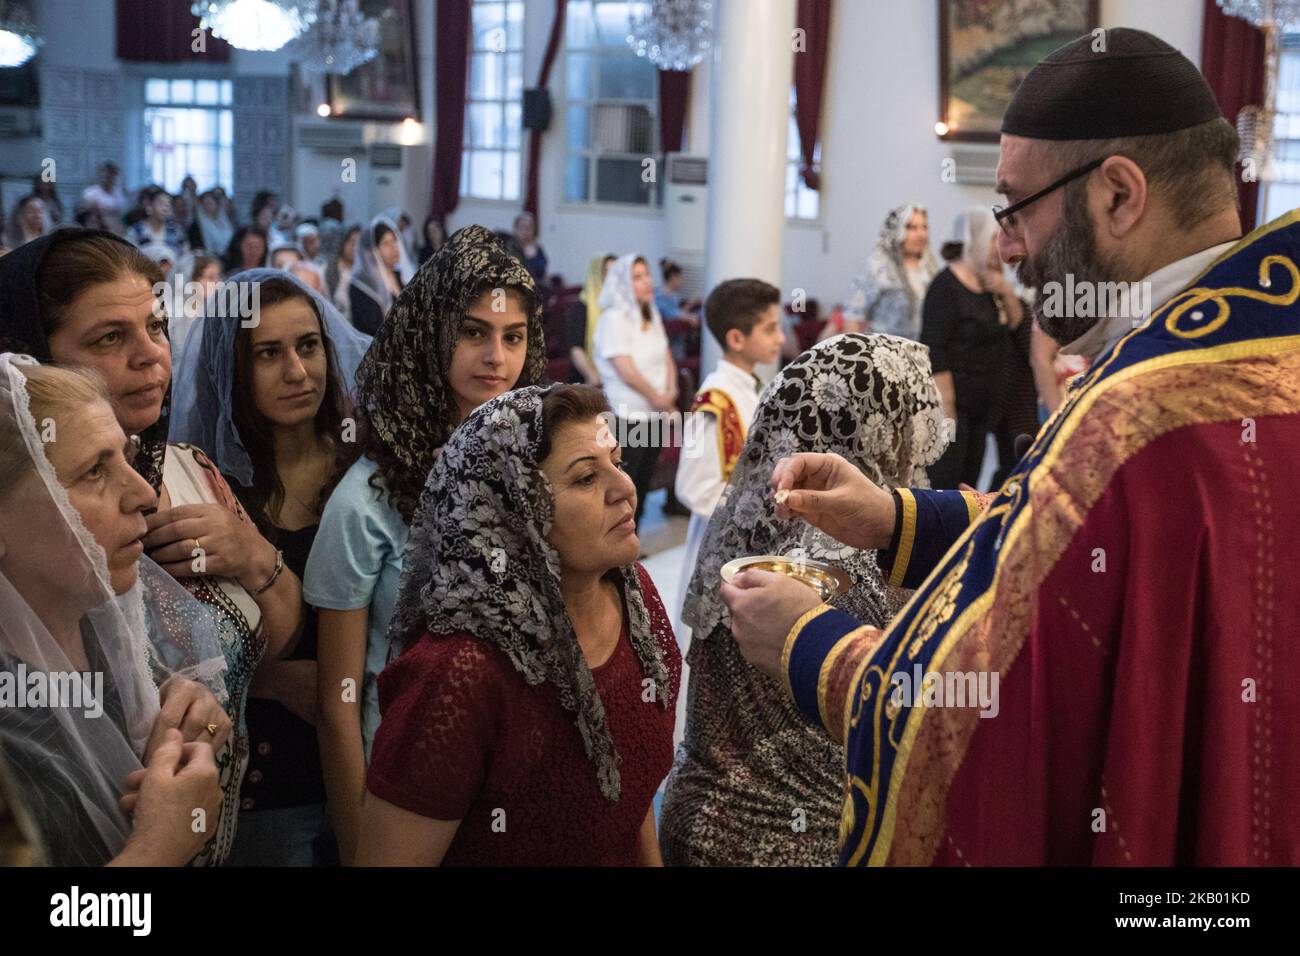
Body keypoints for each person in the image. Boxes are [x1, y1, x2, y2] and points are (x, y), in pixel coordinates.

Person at [723, 28, 1300, 866]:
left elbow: (977, 720)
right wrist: (896, 518)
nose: (1004, 246)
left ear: (1117, 195)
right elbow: (1088, 549)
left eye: (1016, 207)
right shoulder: (1260, 343)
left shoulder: (1139, 414)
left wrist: (806, 643)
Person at [0, 229, 305, 864]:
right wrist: (159, 849)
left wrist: (170, 718)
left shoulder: (191, 470)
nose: (151, 357)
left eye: (157, 327)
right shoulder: (46, 552)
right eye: (110, 338)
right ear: (33, 353)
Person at [355, 384, 680, 866]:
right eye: (587, 478)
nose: (625, 489)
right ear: (510, 513)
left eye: (618, 461)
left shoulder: (636, 598)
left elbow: (632, 810)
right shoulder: (460, 674)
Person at [307, 224, 546, 864]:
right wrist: (363, 846)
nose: (497, 357)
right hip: (402, 789)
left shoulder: (538, 476)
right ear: (429, 335)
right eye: (473, 332)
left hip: (509, 783)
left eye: (513, 337)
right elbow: (339, 705)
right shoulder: (366, 499)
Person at [661, 334, 947, 866]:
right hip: (797, 839)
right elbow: (912, 717)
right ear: (884, 427)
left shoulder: (752, 530)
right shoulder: (854, 561)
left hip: (698, 818)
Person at [171, 269, 370, 866]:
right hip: (265, 783)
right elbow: (173, 651)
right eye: (268, 354)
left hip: (372, 766)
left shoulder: (369, 474)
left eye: (308, 347)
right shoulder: (209, 490)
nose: (297, 372)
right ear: (233, 371)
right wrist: (272, 682)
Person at [0, 355, 231, 866]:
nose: (144, 494)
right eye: (94, 472)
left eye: (125, 458)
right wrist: (157, 850)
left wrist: (202, 728)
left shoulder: (114, 644)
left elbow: (188, 740)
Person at [672, 279, 783, 645]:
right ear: (736, 339)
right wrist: (756, 508)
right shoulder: (716, 400)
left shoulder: (748, 386)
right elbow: (694, 488)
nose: (780, 338)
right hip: (722, 547)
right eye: (770, 329)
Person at [921, 208, 1024, 489]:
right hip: (954, 410)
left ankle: (963, 533)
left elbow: (1015, 324)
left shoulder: (989, 284)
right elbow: (935, 350)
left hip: (984, 408)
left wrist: (1005, 291)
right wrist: (948, 410)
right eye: (992, 239)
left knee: (969, 484)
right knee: (945, 481)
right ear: (974, 240)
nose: (997, 248)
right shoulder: (945, 287)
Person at [593, 254, 677, 525]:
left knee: (643, 481)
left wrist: (672, 389)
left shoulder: (650, 312)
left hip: (654, 413)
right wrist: (660, 399)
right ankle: (617, 553)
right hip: (627, 415)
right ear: (622, 283)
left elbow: (666, 354)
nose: (648, 281)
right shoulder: (613, 318)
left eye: (647, 274)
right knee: (625, 486)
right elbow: (625, 369)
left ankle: (634, 547)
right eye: (638, 277)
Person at [838, 204, 938, 340]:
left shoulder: (929, 267)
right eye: (911, 227)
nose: (921, 234)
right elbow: (854, 315)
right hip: (885, 352)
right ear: (896, 230)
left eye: (924, 227)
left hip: (922, 353)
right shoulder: (877, 266)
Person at [348, 216, 405, 336]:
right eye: (386, 243)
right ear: (374, 251)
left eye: (394, 241)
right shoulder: (362, 284)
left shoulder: (401, 278)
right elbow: (372, 326)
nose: (393, 247)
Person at [127, 186, 189, 260]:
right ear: (149, 207)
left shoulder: (176, 230)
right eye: (161, 204)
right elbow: (129, 258)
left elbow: (184, 258)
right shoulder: (135, 231)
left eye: (168, 205)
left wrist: (178, 272)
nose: (165, 208)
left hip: (173, 271)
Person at [325, 223, 361, 322]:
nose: (355, 246)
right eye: (352, 241)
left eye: (358, 241)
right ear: (342, 243)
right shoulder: (329, 270)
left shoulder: (365, 271)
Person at [81, 162, 128, 235]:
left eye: (110, 177)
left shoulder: (119, 195)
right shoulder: (91, 193)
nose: (106, 179)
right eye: (105, 176)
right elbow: (88, 216)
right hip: (98, 230)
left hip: (117, 230)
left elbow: (122, 216)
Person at [506, 211, 547, 287]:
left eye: (528, 227)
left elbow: (543, 273)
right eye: (521, 227)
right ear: (515, 229)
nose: (525, 231)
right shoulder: (510, 247)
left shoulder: (538, 249)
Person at [190, 188, 236, 256]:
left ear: (217, 204)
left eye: (210, 203)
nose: (207, 206)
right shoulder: (196, 226)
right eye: (204, 203)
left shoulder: (226, 220)